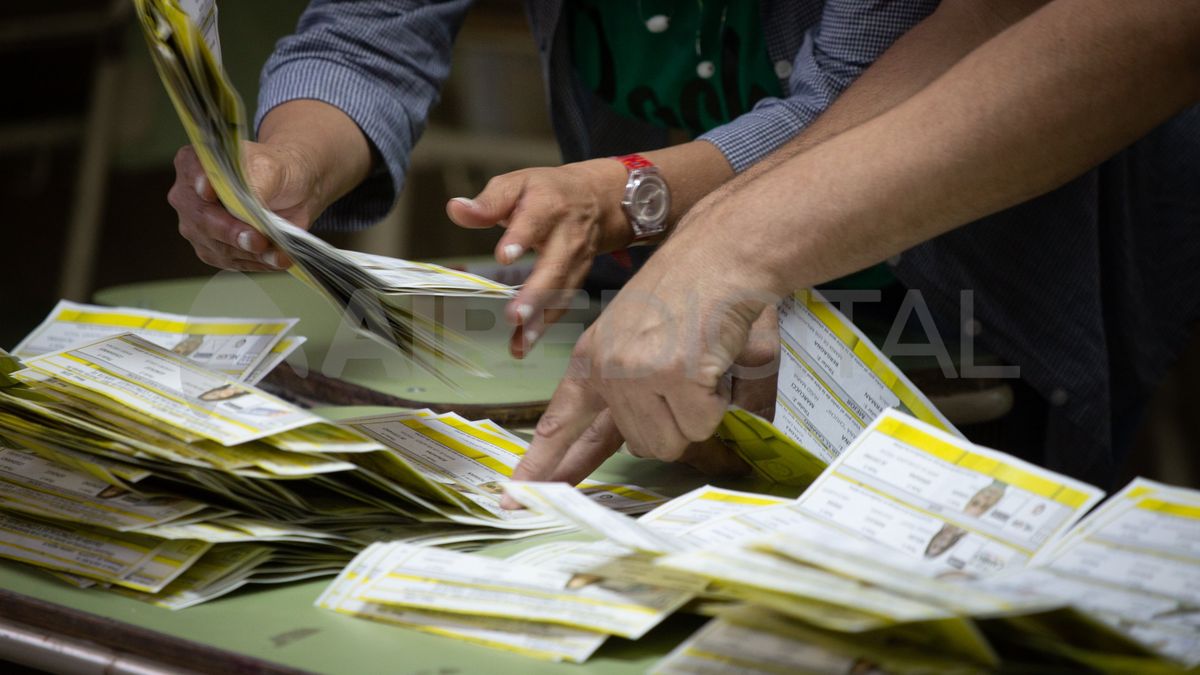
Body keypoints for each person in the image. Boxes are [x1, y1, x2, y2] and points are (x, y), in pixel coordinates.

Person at [505, 0, 1200, 495]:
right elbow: (972, 25)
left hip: (1005, 306)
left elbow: (1145, 23)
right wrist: (725, 235)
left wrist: (727, 244)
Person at [168, 0, 937, 359]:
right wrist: (289, 166)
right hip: (642, 306)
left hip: (937, 306)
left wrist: (626, 194)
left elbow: (868, 98)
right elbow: (365, 38)